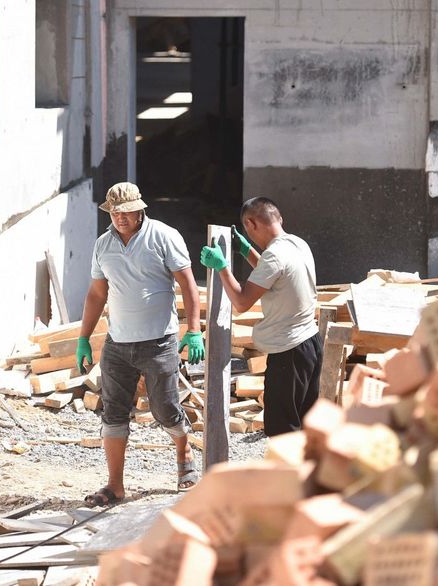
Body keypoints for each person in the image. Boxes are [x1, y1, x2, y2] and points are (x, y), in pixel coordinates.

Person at [76, 182, 204, 506]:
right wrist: (83, 339)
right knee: (113, 414)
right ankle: (115, 486)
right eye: (115, 212)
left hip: (159, 341)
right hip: (118, 344)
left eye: (126, 211)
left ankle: (183, 450)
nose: (121, 217)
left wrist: (194, 330)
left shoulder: (163, 236)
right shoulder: (103, 245)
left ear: (139, 209)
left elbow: (188, 284)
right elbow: (96, 294)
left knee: (165, 410)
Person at [200, 197, 322, 436]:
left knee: (283, 432)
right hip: (310, 343)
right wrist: (247, 251)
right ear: (279, 218)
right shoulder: (297, 243)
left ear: (251, 223)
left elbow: (242, 302)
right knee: (304, 427)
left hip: (290, 351)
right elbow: (272, 276)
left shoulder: (274, 255)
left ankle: (285, 474)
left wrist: (222, 267)